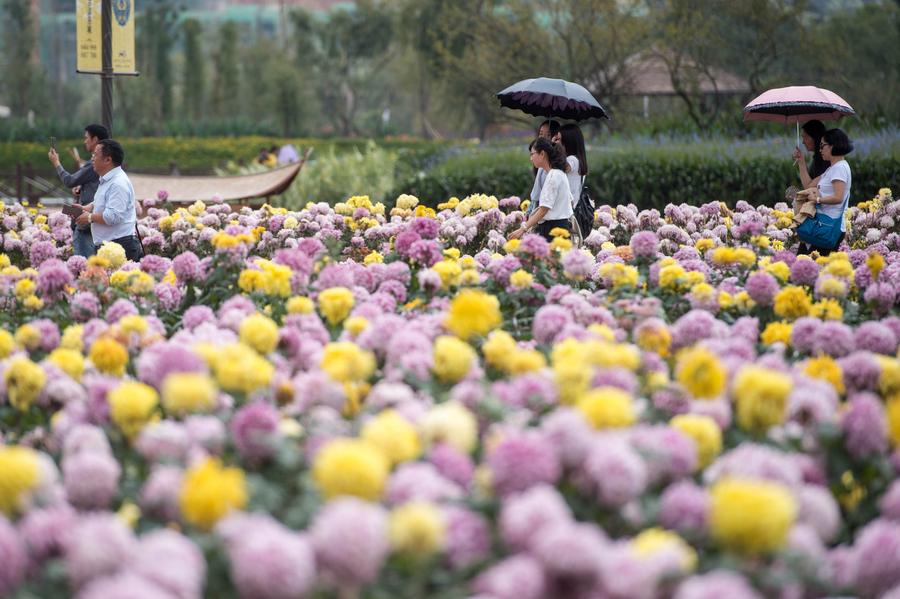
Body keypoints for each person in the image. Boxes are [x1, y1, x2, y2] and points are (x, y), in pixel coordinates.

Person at [74, 139, 143, 262]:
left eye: (95, 154)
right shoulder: (107, 179)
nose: (92, 158)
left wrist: (89, 217)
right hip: (110, 247)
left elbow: (112, 216)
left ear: (108, 159)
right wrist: (86, 208)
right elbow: (101, 202)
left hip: (120, 247)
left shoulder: (118, 183)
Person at [47, 123, 109, 257]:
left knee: (83, 264)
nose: (84, 141)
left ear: (95, 139)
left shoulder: (93, 164)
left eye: (87, 138)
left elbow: (69, 181)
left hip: (87, 221)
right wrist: (82, 188)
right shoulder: (104, 165)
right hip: (95, 219)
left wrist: (56, 162)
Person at [797, 128, 853, 255]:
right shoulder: (832, 169)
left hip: (828, 226)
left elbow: (838, 197)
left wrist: (817, 199)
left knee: (809, 265)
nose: (820, 149)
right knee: (805, 262)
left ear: (833, 145)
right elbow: (809, 185)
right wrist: (801, 162)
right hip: (821, 224)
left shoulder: (840, 168)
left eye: (822, 146)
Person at [509, 137, 573, 241]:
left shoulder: (553, 176)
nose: (531, 158)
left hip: (553, 230)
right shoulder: (558, 173)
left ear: (542, 154)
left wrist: (522, 229)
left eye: (532, 154)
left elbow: (544, 209)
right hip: (559, 226)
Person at [527, 119, 561, 216]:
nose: (544, 138)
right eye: (541, 134)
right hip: (539, 210)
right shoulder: (541, 165)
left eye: (549, 135)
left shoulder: (556, 171)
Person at [791, 120, 829, 189]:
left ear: (815, 137)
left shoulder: (826, 160)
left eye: (805, 137)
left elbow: (809, 187)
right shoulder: (817, 157)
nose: (803, 142)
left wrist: (801, 162)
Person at [559, 123, 588, 202]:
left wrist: (550, 148)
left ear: (568, 142)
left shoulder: (572, 160)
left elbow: (558, 169)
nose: (557, 142)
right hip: (572, 205)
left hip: (568, 207)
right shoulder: (578, 160)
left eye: (559, 139)